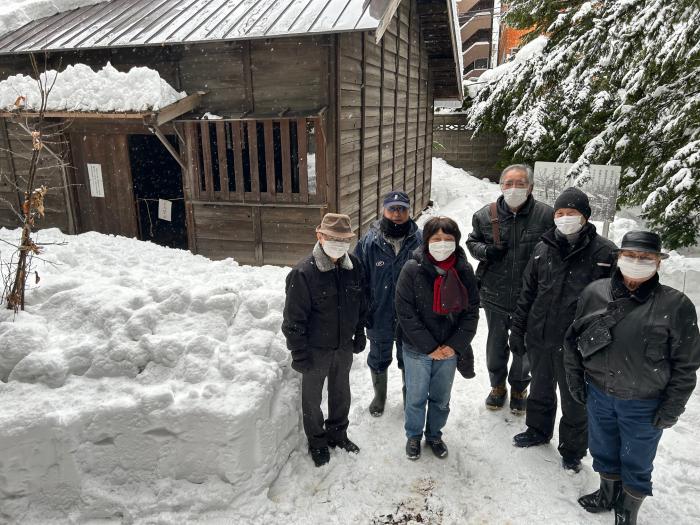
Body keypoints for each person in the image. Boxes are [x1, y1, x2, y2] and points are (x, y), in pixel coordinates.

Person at [564, 231, 700, 524]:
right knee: (602, 448)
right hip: (599, 394)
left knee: (637, 459)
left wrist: (673, 406)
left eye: (645, 258)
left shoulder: (677, 305)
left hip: (644, 403)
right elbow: (573, 342)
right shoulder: (594, 293)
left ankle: (627, 510)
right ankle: (606, 494)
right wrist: (575, 379)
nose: (637, 262)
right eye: (630, 256)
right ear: (619, 258)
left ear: (658, 263)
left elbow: (686, 365)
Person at [509, 187, 617, 471]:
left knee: (574, 400)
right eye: (560, 213)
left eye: (572, 213)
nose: (565, 218)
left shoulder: (605, 253)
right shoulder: (543, 248)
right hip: (541, 335)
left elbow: (615, 305)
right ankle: (538, 430)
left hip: (579, 345)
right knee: (541, 389)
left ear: (585, 216)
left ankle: (572, 449)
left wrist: (601, 343)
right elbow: (528, 292)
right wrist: (518, 329)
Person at [282, 213, 368, 467]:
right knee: (312, 398)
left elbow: (361, 303)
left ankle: (338, 433)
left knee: (341, 393)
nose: (338, 243)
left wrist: (360, 331)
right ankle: (317, 441)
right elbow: (293, 320)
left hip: (343, 346)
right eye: (332, 237)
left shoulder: (354, 267)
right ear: (320, 236)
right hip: (314, 349)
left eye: (344, 239)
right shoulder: (303, 273)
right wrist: (299, 353)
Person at [467, 164, 554, 412]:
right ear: (501, 185)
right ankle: (497, 386)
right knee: (495, 344)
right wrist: (486, 251)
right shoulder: (485, 215)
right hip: (495, 293)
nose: (514, 188)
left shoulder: (546, 216)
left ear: (531, 187)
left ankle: (519, 386)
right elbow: (472, 242)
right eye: (509, 183)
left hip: (530, 296)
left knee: (524, 345)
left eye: (520, 183)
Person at [395, 216, 480, 460]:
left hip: (449, 349)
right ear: (426, 241)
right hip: (417, 348)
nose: (442, 244)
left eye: (448, 239)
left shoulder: (463, 270)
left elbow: (472, 310)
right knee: (416, 396)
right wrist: (429, 346)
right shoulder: (412, 268)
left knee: (441, 398)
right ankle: (413, 435)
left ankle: (434, 434)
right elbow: (405, 311)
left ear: (456, 242)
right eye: (436, 239)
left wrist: (454, 346)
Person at [354, 190, 422, 417]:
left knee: (409, 360)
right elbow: (358, 278)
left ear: (409, 211)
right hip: (379, 313)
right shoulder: (369, 242)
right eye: (392, 208)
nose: (397, 214)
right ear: (383, 210)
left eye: (402, 209)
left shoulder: (420, 240)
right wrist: (364, 310)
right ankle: (379, 396)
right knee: (378, 358)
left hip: (410, 315)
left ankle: (408, 396)